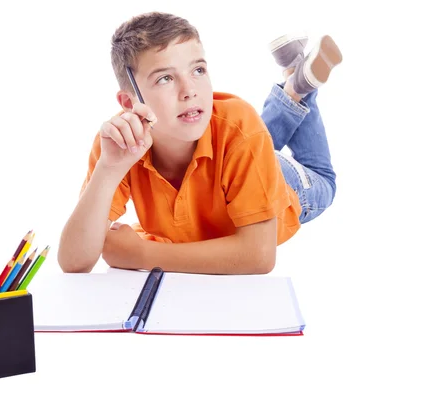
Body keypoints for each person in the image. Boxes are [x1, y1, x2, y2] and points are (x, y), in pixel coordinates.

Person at [58, 12, 342, 275]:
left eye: (198, 71)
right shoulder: (118, 142)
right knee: (247, 137)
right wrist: (107, 171)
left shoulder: (239, 126)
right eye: (165, 78)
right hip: (238, 155)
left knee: (324, 181)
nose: (190, 91)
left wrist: (145, 255)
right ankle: (295, 77)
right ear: (129, 102)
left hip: (285, 182)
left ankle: (299, 87)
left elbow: (259, 255)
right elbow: (73, 261)